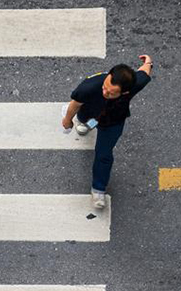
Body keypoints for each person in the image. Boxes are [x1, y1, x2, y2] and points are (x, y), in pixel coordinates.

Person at [60, 55, 154, 209]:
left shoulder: (135, 84)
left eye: (111, 93)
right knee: (83, 119)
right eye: (105, 87)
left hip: (113, 122)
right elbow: (75, 104)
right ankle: (83, 123)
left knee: (104, 155)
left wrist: (148, 62)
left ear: (125, 93)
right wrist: (67, 119)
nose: (105, 92)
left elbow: (144, 72)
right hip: (88, 111)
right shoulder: (89, 87)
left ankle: (98, 189)